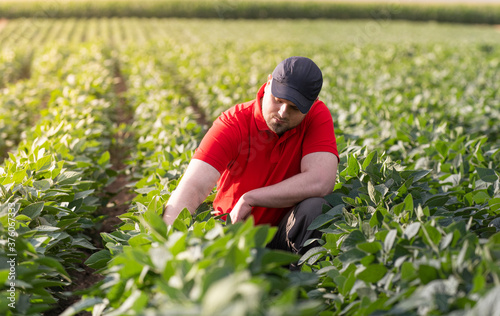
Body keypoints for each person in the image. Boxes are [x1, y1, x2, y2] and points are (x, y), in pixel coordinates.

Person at [163, 56, 339, 255]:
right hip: (234, 234)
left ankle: (298, 279)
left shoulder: (316, 116)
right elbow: (193, 186)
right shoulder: (233, 123)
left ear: (312, 103)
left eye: (294, 108)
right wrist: (168, 243)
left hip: (284, 234)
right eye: (278, 100)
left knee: (315, 208)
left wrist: (252, 198)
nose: (282, 113)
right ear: (269, 82)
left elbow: (321, 181)